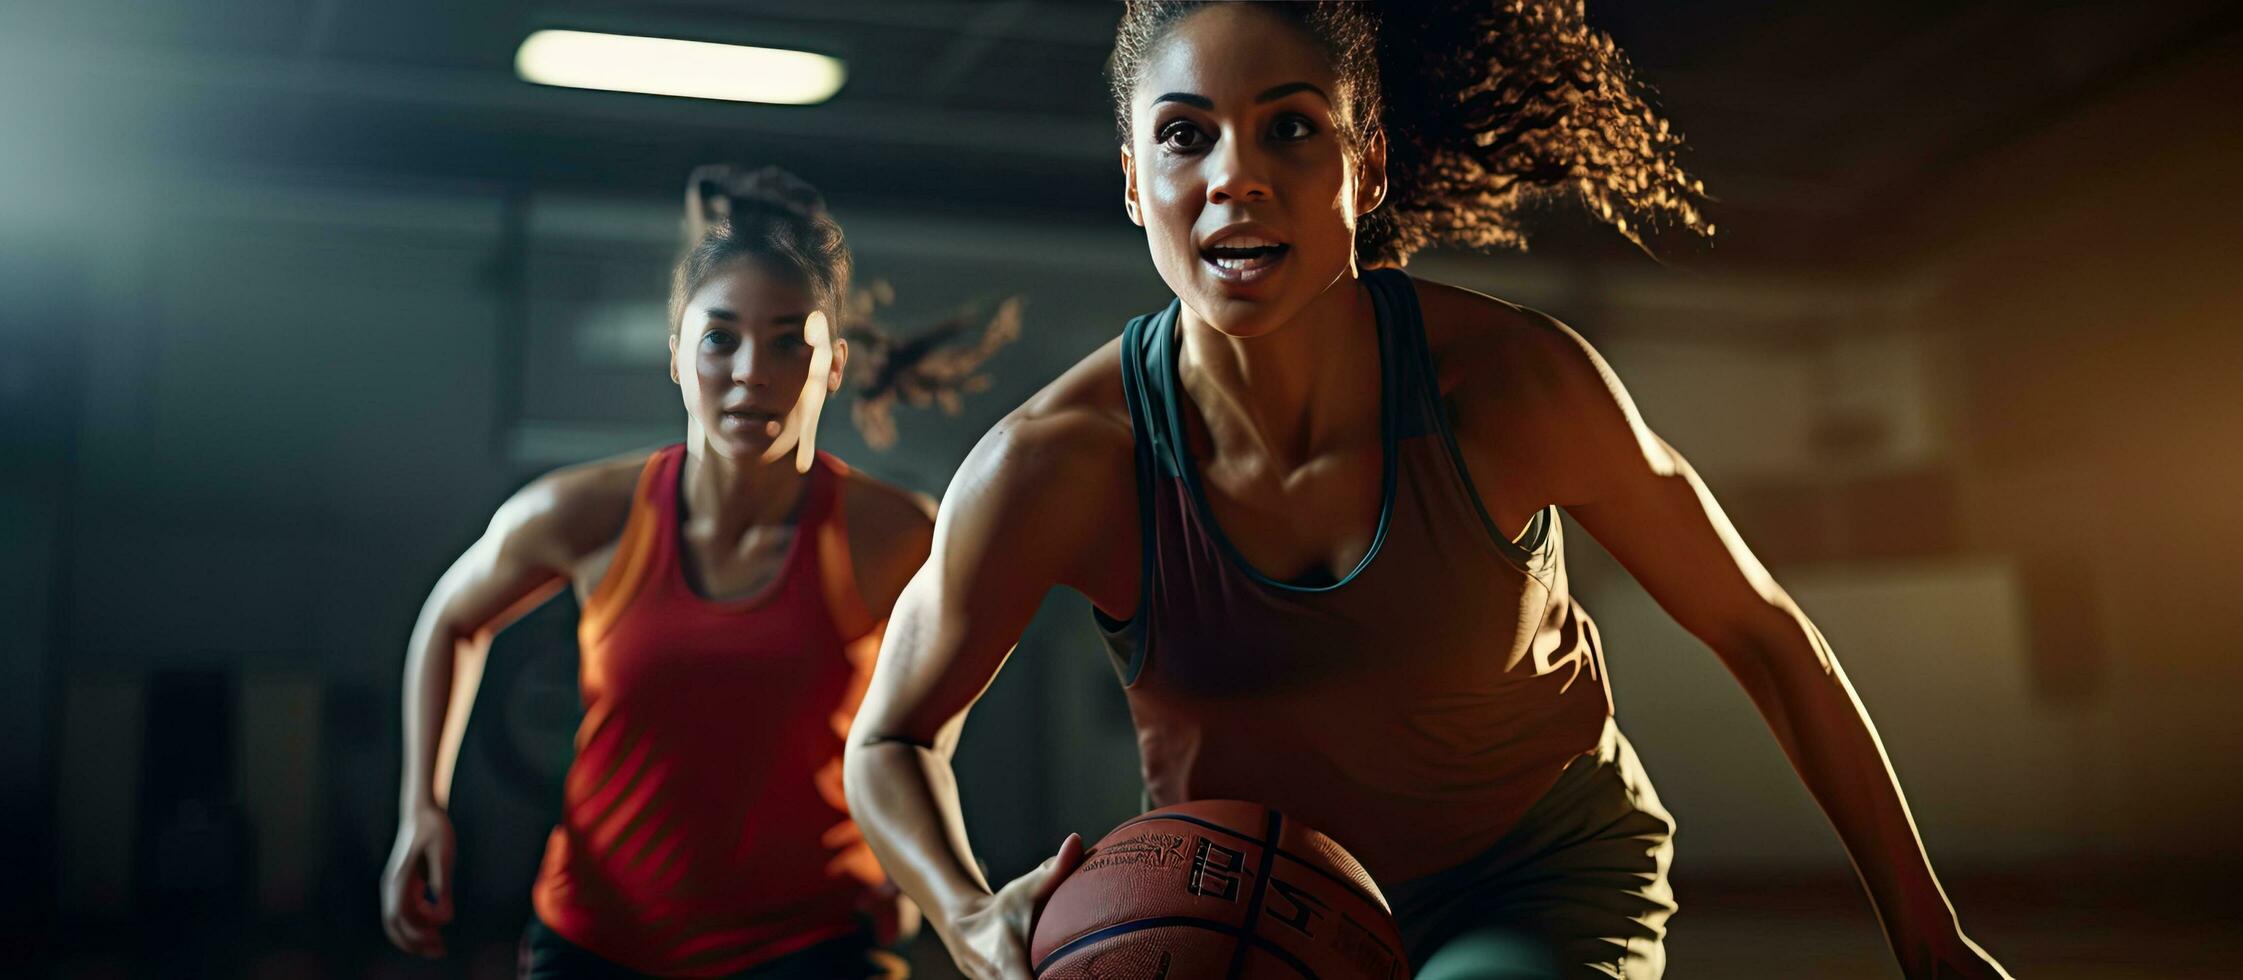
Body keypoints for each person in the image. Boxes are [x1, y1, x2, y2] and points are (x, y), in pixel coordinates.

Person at [842, 4, 2013, 979]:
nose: (1233, 176)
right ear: (1133, 182)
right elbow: (891, 732)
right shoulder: (1058, 461)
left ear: (1370, 162)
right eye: (1184, 136)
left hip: (1532, 882)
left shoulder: (1507, 386)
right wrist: (965, 910)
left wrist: (1927, 933)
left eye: (1289, 128)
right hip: (1250, 904)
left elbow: (1758, 631)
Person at [382, 165, 1002, 977]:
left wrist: (908, 850)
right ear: (676, 354)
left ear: (835, 363)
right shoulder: (586, 514)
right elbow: (452, 618)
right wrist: (421, 808)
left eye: (790, 341)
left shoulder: (896, 537)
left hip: (812, 944)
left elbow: (934, 711)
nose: (752, 371)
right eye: (720, 337)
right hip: (599, 942)